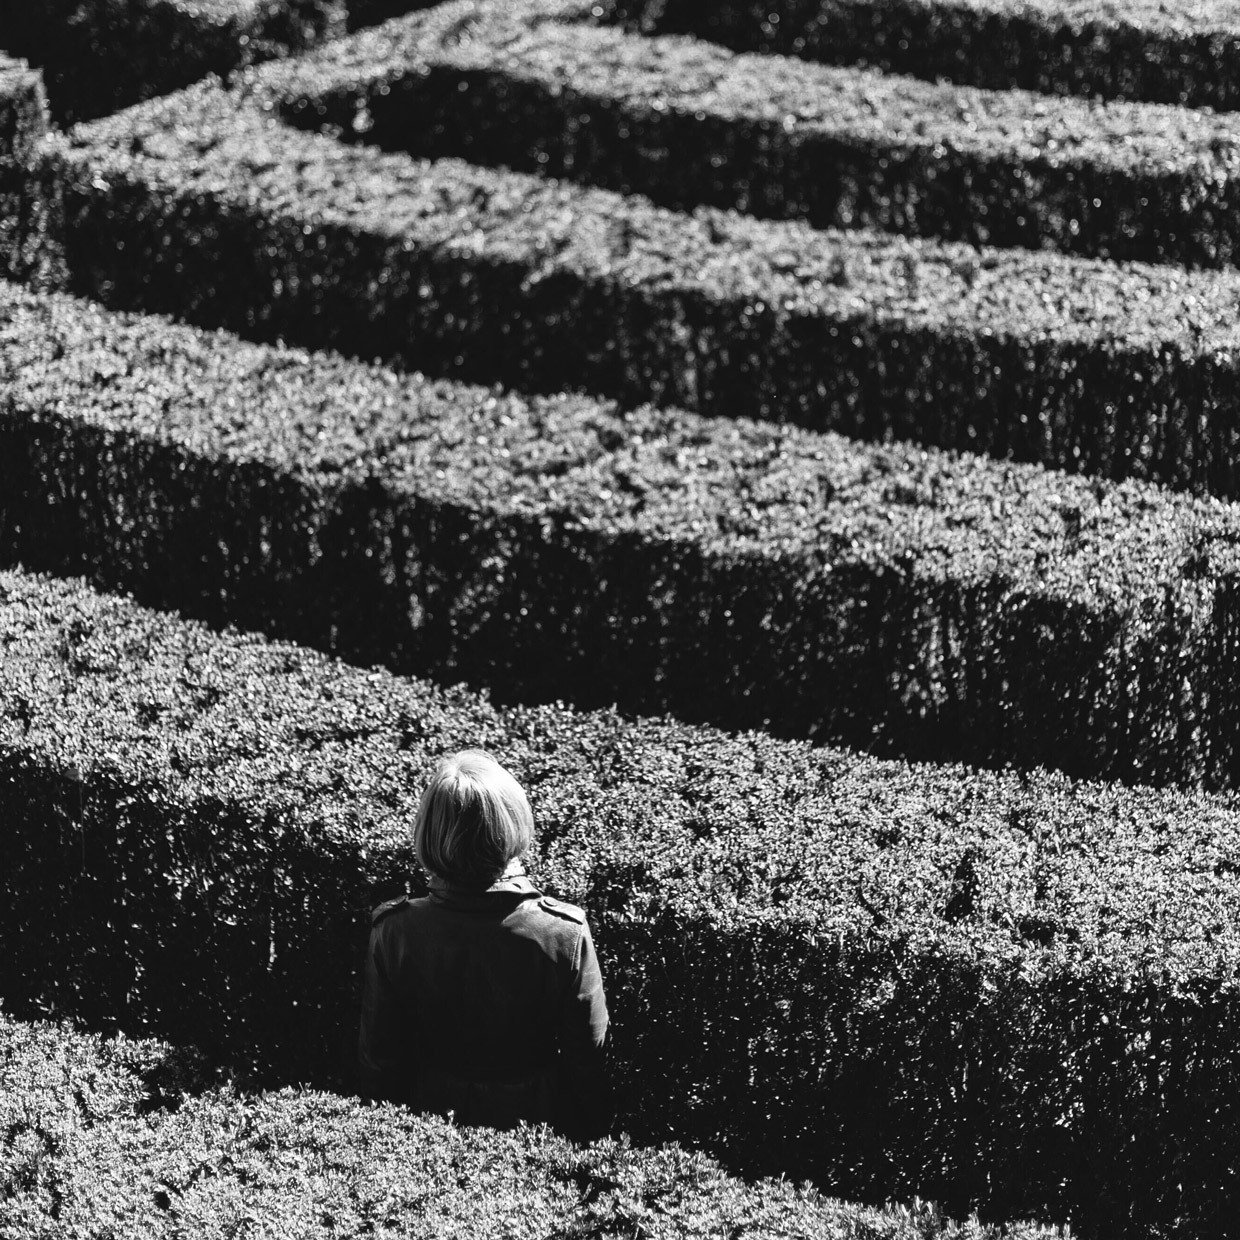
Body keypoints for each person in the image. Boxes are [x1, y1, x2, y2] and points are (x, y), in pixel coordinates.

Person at [358, 749, 611, 1140]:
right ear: (511, 824)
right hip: (534, 1130)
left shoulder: (395, 929)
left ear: (429, 830)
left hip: (427, 1129)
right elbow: (589, 1064)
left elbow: (379, 1061)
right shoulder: (563, 932)